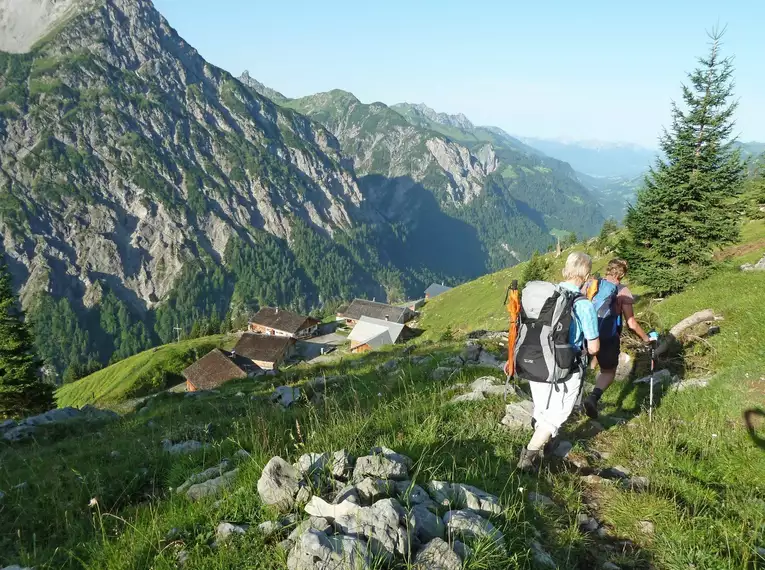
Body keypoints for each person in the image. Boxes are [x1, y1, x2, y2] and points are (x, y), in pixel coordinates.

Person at [517, 252, 600, 471]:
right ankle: (528, 458)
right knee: (557, 414)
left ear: (565, 271)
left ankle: (547, 445)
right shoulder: (583, 304)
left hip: (534, 359)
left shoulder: (547, 296)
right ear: (587, 275)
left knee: (542, 408)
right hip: (564, 367)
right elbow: (593, 347)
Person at [582, 258, 652, 419]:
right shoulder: (622, 291)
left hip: (586, 334)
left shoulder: (590, 284)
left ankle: (571, 401)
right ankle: (593, 397)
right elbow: (631, 323)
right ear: (622, 274)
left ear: (608, 269)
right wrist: (646, 338)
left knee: (577, 368)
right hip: (608, 338)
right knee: (608, 371)